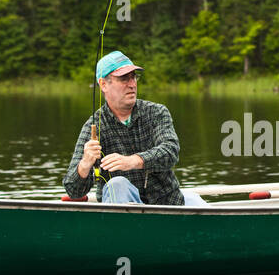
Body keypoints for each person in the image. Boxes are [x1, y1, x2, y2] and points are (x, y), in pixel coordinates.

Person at [64, 50, 207, 206]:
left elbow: (170, 151)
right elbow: (73, 191)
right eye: (124, 78)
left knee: (196, 203)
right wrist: (85, 163)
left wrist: (133, 161)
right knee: (117, 184)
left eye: (133, 77)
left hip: (169, 206)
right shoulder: (93, 126)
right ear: (104, 84)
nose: (132, 84)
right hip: (123, 214)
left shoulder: (157, 112)